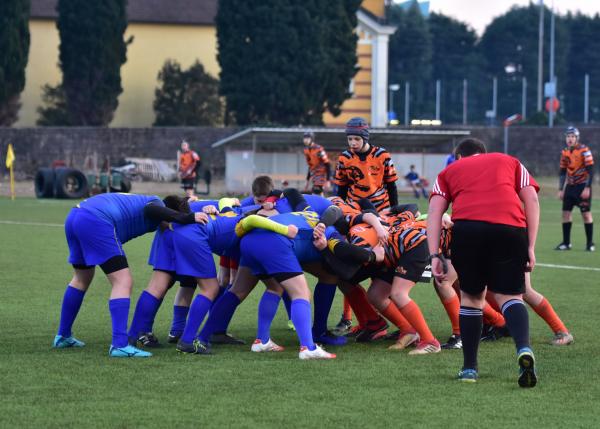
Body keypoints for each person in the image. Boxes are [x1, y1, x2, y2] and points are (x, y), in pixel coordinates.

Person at [427, 138, 540, 387]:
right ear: (483, 153)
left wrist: (434, 254)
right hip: (510, 229)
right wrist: (530, 246)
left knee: (471, 298)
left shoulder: (448, 171)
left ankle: (469, 368)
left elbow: (435, 212)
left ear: (460, 157)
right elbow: (531, 199)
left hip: (468, 230)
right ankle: (523, 349)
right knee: (511, 297)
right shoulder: (510, 161)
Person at [53, 193, 205, 358]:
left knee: (82, 278)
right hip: (96, 221)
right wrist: (186, 217)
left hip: (75, 216)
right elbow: (152, 210)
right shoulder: (155, 203)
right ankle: (120, 344)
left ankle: (63, 335)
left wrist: (187, 202)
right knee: (123, 281)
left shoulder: (149, 202)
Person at [555, 126, 595, 251]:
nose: (570, 139)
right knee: (565, 214)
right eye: (568, 136)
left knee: (586, 214)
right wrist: (561, 189)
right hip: (570, 187)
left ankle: (590, 244)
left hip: (582, 186)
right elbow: (562, 172)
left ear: (577, 138)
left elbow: (591, 170)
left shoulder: (585, 150)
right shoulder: (564, 152)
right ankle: (566, 243)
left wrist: (587, 188)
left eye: (572, 136)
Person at [303, 131, 331, 195]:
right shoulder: (306, 150)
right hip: (314, 174)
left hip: (321, 174)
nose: (305, 140)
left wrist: (328, 180)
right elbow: (310, 166)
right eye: (304, 138)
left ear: (312, 139)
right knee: (318, 193)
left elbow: (327, 164)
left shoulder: (319, 149)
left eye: (307, 138)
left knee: (316, 191)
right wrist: (307, 180)